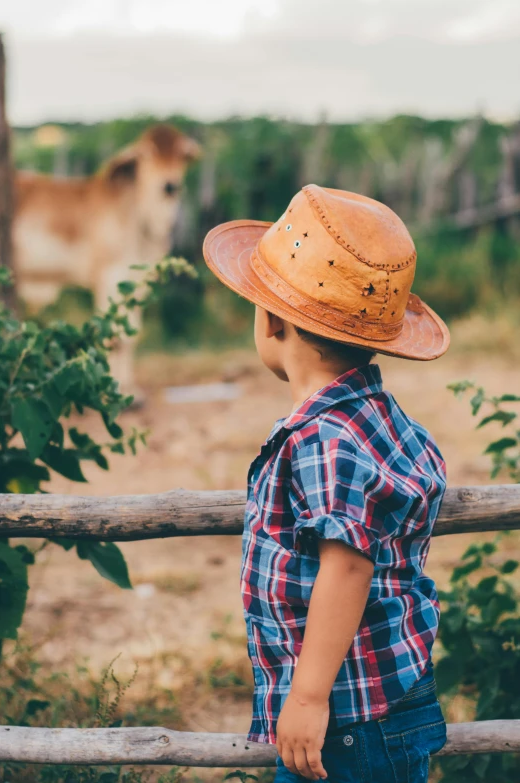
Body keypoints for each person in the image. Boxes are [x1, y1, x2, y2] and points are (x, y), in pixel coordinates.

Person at [203, 185, 450, 782]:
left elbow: (347, 566)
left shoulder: (324, 440)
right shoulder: (378, 418)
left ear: (272, 320)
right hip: (382, 697)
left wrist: (309, 698)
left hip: (346, 716)